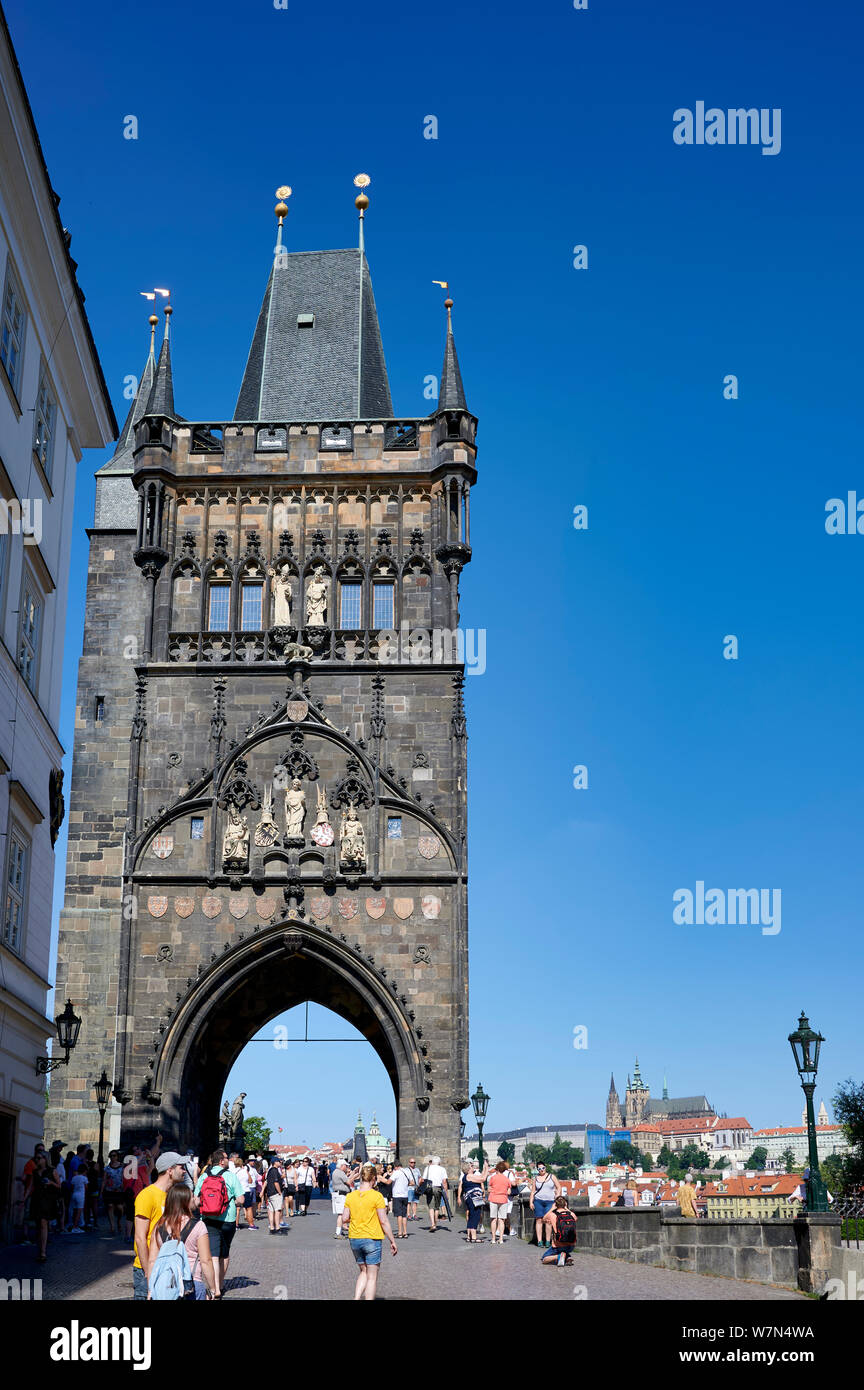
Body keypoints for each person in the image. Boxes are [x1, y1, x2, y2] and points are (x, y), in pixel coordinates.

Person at [338, 1162, 398, 1300]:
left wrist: (357, 1216)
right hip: (372, 1238)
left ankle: (356, 1298)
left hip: (355, 1238)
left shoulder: (351, 1196)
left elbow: (345, 1218)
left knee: (363, 1271)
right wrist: (392, 1241)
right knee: (372, 1276)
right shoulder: (376, 1196)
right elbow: (383, 1221)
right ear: (373, 1179)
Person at [133, 1151, 188, 1299]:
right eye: (181, 1167)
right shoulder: (147, 1195)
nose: (184, 1171)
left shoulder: (173, 1196)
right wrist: (147, 1272)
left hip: (169, 1266)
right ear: (170, 1170)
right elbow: (140, 1238)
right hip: (150, 1267)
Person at [151, 1182, 218, 1300]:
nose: (195, 1199)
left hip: (165, 1285)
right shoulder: (198, 1226)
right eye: (192, 1196)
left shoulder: (158, 1227)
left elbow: (152, 1261)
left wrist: (151, 1289)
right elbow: (206, 1261)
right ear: (185, 1202)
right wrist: (212, 1289)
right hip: (191, 1284)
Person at [194, 1148, 244, 1297]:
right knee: (224, 1254)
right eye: (227, 1158)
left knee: (213, 1255)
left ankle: (214, 1288)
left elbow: (196, 1199)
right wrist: (235, 1202)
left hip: (208, 1219)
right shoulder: (230, 1176)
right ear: (221, 1161)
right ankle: (220, 1285)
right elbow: (241, 1199)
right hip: (228, 1220)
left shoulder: (204, 1176)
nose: (229, 1160)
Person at [24, 1154, 61, 1262]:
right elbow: (31, 1186)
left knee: (43, 1223)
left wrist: (51, 1183)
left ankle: (43, 1252)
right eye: (36, 1158)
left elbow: (59, 1185)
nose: (37, 1160)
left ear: (45, 1159)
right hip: (36, 1200)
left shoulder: (52, 1171)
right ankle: (40, 1248)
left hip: (47, 1200)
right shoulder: (35, 1172)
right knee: (38, 1225)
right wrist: (24, 1199)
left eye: (39, 1158)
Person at [102, 1150, 133, 1240]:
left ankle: (119, 1221)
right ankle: (112, 1226)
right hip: (110, 1190)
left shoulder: (123, 1166)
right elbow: (104, 1180)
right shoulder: (107, 1168)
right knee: (110, 1206)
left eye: (114, 1155)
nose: (113, 1157)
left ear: (117, 1156)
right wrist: (102, 1190)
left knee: (120, 1207)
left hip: (120, 1191)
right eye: (111, 1156)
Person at [540, 1195, 578, 1267]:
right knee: (565, 1251)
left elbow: (543, 1219)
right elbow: (575, 1219)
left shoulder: (552, 1215)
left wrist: (552, 1208)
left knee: (544, 1259)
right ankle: (567, 1257)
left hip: (558, 1245)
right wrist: (566, 1209)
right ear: (565, 1204)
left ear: (555, 1204)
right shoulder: (571, 1214)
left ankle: (559, 1256)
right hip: (571, 1245)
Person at [530, 1162, 561, 1247]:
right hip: (538, 1201)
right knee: (539, 1220)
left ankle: (548, 1241)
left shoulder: (552, 1176)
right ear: (537, 1170)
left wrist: (557, 1196)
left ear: (545, 1168)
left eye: (543, 1168)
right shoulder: (536, 1178)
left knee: (548, 1221)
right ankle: (539, 1241)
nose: (541, 1170)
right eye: (539, 1169)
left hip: (550, 1201)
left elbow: (559, 1187)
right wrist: (531, 1202)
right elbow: (533, 1191)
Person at [457, 1159, 488, 1243]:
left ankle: (469, 1237)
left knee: (471, 1216)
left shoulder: (466, 1176)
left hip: (470, 1198)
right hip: (473, 1198)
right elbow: (483, 1179)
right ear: (468, 1169)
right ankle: (474, 1238)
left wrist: (485, 1169)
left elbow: (481, 1177)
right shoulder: (469, 1176)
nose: (473, 1167)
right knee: (476, 1216)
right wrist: (486, 1168)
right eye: (471, 1166)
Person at [487, 1159, 512, 1245]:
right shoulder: (507, 1179)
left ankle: (493, 1238)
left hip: (493, 1199)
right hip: (503, 1199)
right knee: (502, 1220)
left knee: (494, 1219)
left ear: (497, 1169)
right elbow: (509, 1192)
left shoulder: (492, 1178)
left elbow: (489, 1189)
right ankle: (501, 1239)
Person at [422, 1155, 449, 1231]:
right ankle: (436, 1224)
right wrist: (446, 1192)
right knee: (437, 1207)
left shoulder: (427, 1168)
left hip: (429, 1188)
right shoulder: (442, 1169)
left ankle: (432, 1224)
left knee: (431, 1207)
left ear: (432, 1162)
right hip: (438, 1188)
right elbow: (444, 1182)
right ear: (439, 1162)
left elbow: (423, 1179)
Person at [330, 1159, 354, 1238]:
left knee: (341, 1213)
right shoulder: (340, 1172)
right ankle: (338, 1233)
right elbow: (348, 1182)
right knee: (341, 1214)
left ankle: (339, 1230)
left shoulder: (336, 1172)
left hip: (338, 1194)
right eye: (346, 1166)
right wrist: (355, 1175)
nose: (346, 1167)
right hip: (341, 1194)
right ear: (342, 1166)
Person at [390, 1159, 413, 1238]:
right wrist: (405, 1184)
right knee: (404, 1214)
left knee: (399, 1214)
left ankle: (400, 1232)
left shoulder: (396, 1172)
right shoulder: (407, 1171)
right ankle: (405, 1232)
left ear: (395, 1166)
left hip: (397, 1195)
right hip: (405, 1195)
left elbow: (388, 1182)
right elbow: (412, 1183)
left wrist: (381, 1178)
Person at [264, 1160, 285, 1233]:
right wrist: (280, 1192)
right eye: (279, 1161)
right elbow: (276, 1183)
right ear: (275, 1162)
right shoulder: (275, 1170)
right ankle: (278, 1228)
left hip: (270, 1193)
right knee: (277, 1210)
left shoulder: (270, 1170)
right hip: (275, 1193)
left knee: (271, 1210)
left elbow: (267, 1181)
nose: (280, 1163)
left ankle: (272, 1228)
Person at [67, 1161, 87, 1233]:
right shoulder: (84, 1178)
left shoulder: (74, 1177)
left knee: (74, 1210)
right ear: (85, 1171)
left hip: (74, 1194)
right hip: (81, 1195)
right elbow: (86, 1187)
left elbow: (72, 1187)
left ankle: (72, 1224)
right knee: (79, 1211)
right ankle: (75, 1227)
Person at [405, 1157, 421, 1221]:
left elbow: (420, 1177)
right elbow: (404, 1179)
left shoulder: (417, 1170)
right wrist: (408, 1184)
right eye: (411, 1162)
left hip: (416, 1188)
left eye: (414, 1162)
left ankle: (414, 1214)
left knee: (415, 1202)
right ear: (409, 1163)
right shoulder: (406, 1170)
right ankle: (408, 1215)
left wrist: (419, 1184)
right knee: (408, 1202)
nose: (413, 1164)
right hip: (409, 1188)